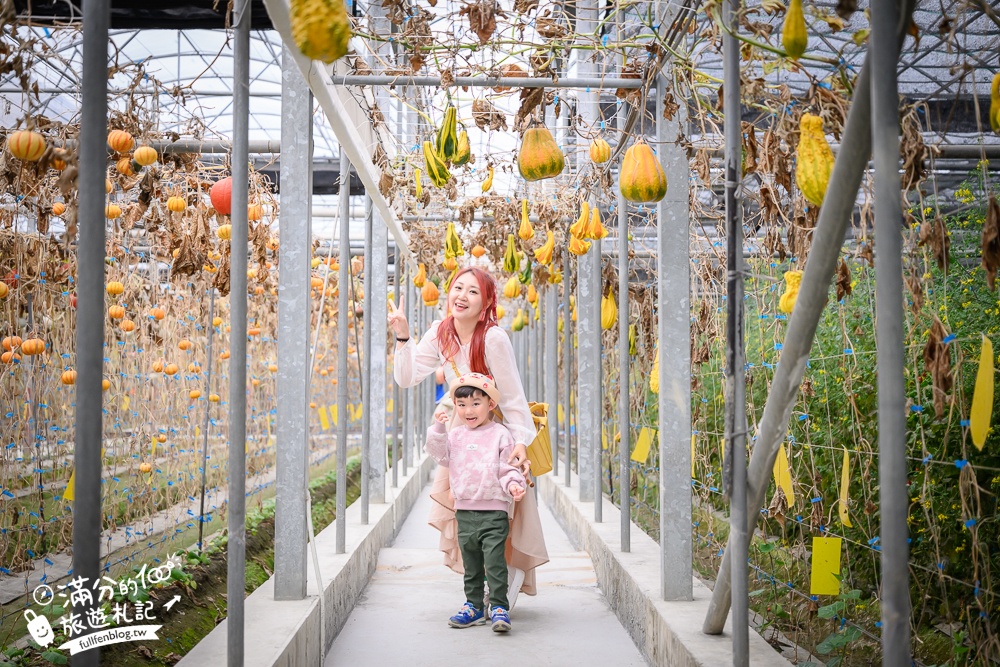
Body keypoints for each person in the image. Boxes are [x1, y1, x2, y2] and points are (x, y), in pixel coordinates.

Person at [389, 266, 548, 608]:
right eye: (457, 287)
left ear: (488, 300)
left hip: (498, 435)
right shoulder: (439, 332)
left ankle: (506, 581)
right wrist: (403, 337)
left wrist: (520, 442)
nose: (461, 296)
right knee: (468, 510)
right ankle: (482, 586)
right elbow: (407, 377)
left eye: (472, 291)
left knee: (502, 510)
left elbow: (513, 397)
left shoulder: (493, 338)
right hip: (461, 436)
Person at [425, 373, 525, 632]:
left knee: (494, 561)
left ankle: (500, 606)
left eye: (475, 403)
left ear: (490, 404)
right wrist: (438, 429)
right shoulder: (456, 436)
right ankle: (474, 606)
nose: (468, 410)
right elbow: (439, 455)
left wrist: (514, 484)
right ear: (455, 406)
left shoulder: (500, 434)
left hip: (494, 510)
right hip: (465, 511)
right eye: (462, 405)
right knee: (471, 564)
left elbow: (508, 467)